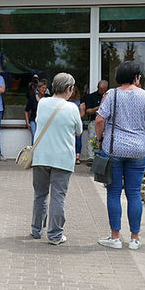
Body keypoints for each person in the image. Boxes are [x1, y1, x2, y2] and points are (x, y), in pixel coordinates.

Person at [94, 62, 145, 250]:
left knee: (114, 192)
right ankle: (135, 238)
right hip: (138, 150)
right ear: (136, 77)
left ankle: (115, 237)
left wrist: (100, 140)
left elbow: (100, 119)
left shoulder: (111, 95)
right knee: (134, 193)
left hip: (114, 148)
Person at [30, 73, 84, 245]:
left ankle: (36, 230)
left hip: (40, 157)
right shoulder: (72, 108)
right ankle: (55, 235)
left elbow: (39, 121)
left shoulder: (42, 103)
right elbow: (79, 131)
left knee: (40, 194)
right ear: (69, 89)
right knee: (58, 197)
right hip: (62, 159)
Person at [81, 80, 108, 163]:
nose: (103, 91)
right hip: (94, 121)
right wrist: (99, 107)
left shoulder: (109, 96)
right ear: (97, 87)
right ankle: (91, 158)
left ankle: (105, 156)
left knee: (107, 139)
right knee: (92, 138)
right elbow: (88, 111)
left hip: (107, 122)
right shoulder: (91, 97)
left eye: (104, 89)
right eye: (101, 89)